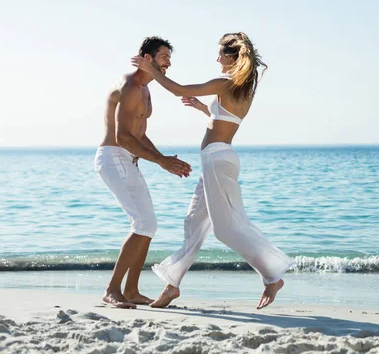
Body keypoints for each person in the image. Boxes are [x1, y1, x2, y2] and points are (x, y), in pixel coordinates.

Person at [131, 32, 294, 310]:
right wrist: (203, 109)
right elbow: (225, 121)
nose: (217, 58)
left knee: (226, 229)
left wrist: (151, 71)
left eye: (221, 54)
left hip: (218, 160)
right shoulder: (240, 88)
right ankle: (172, 286)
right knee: (194, 222)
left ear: (232, 57)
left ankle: (272, 275)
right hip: (217, 159)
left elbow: (179, 89)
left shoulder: (226, 83)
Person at [94, 36, 192, 309]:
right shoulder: (129, 86)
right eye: (163, 57)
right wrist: (161, 163)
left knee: (148, 226)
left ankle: (132, 290)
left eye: (169, 58)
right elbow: (123, 136)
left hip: (128, 159)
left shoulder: (146, 91)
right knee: (144, 224)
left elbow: (140, 135)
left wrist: (163, 158)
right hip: (114, 157)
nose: (168, 63)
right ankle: (112, 289)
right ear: (147, 58)